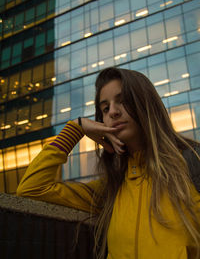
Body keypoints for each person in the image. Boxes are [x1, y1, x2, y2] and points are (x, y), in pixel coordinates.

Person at [17, 67, 200, 259]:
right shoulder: (110, 188)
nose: (113, 112)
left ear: (145, 103)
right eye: (105, 108)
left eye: (122, 101)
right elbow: (32, 188)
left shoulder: (192, 162)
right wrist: (75, 128)